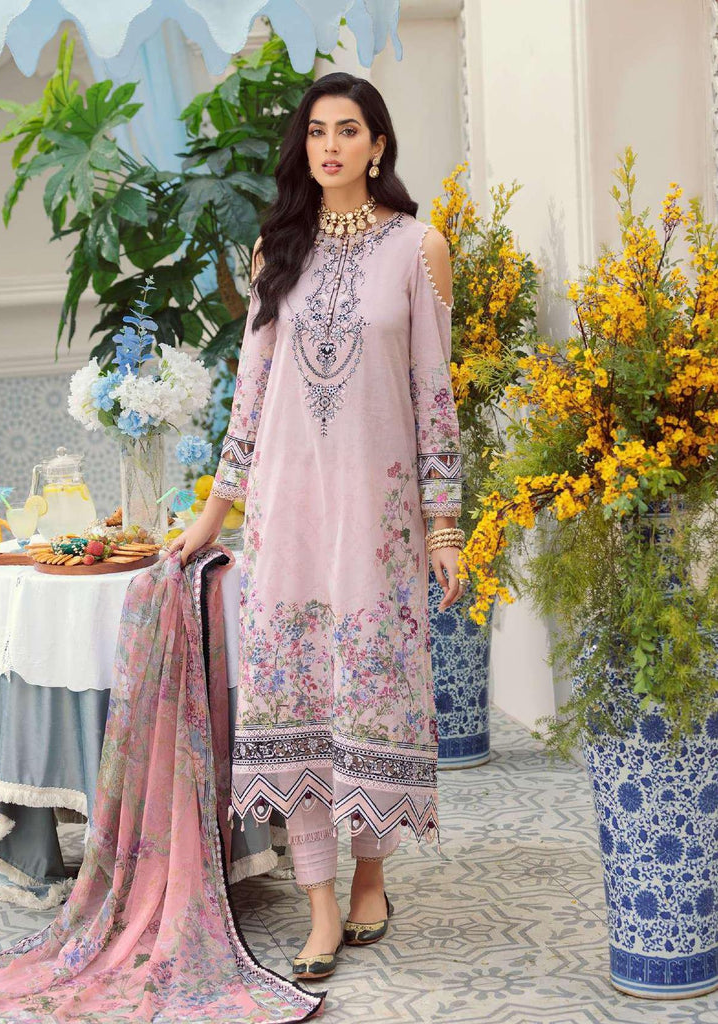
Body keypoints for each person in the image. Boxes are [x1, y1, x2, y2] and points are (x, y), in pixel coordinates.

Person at [167, 70, 465, 982]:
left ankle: (371, 875)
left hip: (376, 520)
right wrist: (213, 513)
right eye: (316, 132)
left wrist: (444, 526)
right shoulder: (278, 247)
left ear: (378, 145)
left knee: (371, 696)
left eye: (347, 130)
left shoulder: (418, 248)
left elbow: (433, 395)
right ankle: (321, 905)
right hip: (288, 516)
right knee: (293, 705)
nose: (329, 145)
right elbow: (250, 393)